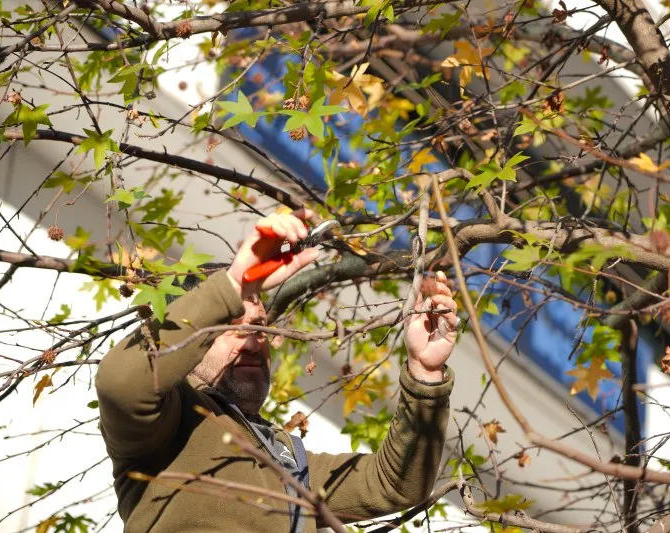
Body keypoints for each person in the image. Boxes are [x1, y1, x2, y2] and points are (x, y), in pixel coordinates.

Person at [95, 209, 459, 533]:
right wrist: (234, 285)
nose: (253, 342)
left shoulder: (284, 456)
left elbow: (395, 484)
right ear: (196, 337)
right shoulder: (166, 423)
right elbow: (121, 383)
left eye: (262, 328)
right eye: (233, 327)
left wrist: (424, 372)